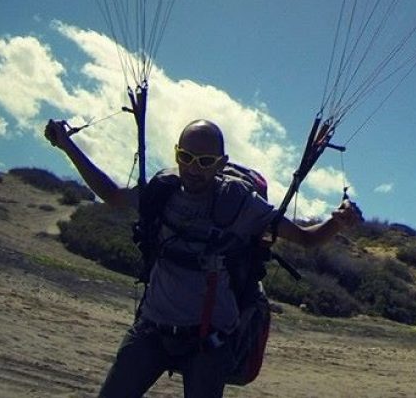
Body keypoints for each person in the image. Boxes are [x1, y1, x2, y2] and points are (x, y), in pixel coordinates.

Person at [45, 116, 362, 397]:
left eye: (205, 161)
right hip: (153, 328)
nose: (193, 168)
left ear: (221, 163)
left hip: (208, 341)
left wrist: (337, 223)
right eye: (185, 157)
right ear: (176, 154)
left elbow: (306, 239)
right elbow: (113, 196)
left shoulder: (240, 204)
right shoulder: (162, 192)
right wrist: (67, 145)